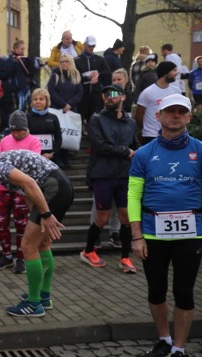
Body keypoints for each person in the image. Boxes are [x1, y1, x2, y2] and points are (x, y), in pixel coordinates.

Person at [129, 93, 201, 357]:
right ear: (157, 116)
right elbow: (134, 194)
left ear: (188, 118)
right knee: (156, 291)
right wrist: (136, 236)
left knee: (184, 293)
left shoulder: (199, 150)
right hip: (152, 234)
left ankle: (180, 351)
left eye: (180, 112)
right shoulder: (144, 153)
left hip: (191, 233)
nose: (175, 116)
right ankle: (164, 340)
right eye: (169, 111)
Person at [0, 149, 74, 317]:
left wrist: (45, 214)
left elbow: (29, 183)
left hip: (53, 187)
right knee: (42, 244)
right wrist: (37, 216)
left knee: (28, 246)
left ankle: (34, 304)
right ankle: (43, 297)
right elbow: (27, 192)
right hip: (59, 185)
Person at [79, 84, 137, 274]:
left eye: (113, 94)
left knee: (126, 216)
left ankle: (126, 258)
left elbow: (135, 145)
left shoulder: (131, 123)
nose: (108, 97)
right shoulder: (96, 119)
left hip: (124, 175)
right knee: (102, 217)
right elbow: (100, 146)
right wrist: (125, 151)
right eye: (105, 95)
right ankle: (88, 251)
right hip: (102, 174)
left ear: (123, 98)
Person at [0, 111, 41, 274]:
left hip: (22, 190)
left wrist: (11, 169)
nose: (16, 134)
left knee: (22, 225)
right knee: (1, 224)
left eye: (19, 130)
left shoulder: (34, 141)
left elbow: (33, 164)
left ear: (25, 128)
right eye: (13, 130)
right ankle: (7, 256)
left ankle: (22, 258)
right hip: (3, 188)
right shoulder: (5, 140)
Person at [135, 61, 180, 145]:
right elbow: (138, 116)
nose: (176, 73)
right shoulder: (147, 92)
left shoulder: (176, 91)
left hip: (171, 135)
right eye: (174, 70)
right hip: (151, 136)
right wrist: (147, 129)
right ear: (165, 73)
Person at [74, 36, 111, 128]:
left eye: (93, 46)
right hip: (82, 93)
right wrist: (85, 77)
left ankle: (93, 134)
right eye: (89, 46)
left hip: (96, 92)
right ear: (84, 45)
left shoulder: (100, 59)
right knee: (80, 114)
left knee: (94, 116)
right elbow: (73, 75)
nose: (91, 48)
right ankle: (82, 133)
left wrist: (98, 74)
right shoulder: (76, 60)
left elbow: (108, 73)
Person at [27, 88, 62, 164]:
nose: (38, 101)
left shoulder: (53, 117)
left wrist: (52, 154)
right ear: (32, 102)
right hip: (32, 157)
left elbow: (58, 139)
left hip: (50, 158)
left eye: (41, 99)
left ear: (47, 101)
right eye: (35, 99)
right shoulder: (26, 118)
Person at [9, 40, 38, 111]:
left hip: (26, 86)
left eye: (24, 49)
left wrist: (33, 61)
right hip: (18, 87)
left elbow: (31, 72)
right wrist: (15, 61)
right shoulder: (11, 59)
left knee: (27, 106)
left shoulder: (25, 59)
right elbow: (10, 72)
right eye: (21, 49)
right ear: (16, 49)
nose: (23, 51)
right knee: (20, 106)